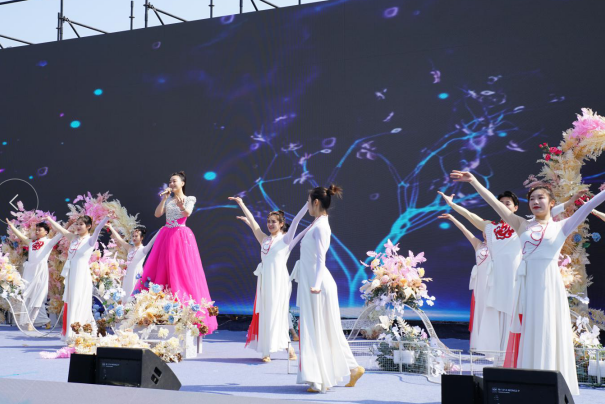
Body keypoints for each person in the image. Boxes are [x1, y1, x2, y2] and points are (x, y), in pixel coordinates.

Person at [450, 169, 605, 396]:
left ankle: (555, 388)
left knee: (550, 331)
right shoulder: (521, 224)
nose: (535, 202)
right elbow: (494, 204)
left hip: (550, 288)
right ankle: (530, 386)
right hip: (526, 289)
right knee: (529, 332)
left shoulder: (562, 226)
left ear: (552, 203)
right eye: (532, 199)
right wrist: (473, 181)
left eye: (541, 198)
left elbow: (590, 205)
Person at [437, 190, 581, 350]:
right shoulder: (490, 227)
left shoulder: (523, 224)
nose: (504, 206)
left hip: (515, 277)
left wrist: (568, 203)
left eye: (508, 203)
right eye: (501, 203)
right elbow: (470, 216)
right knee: (494, 311)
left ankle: (513, 352)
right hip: (496, 278)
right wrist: (452, 204)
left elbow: (550, 212)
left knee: (513, 311)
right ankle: (495, 353)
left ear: (515, 207)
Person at [290, 185, 364, 393]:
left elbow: (322, 258)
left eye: (308, 202)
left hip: (319, 286)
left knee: (319, 331)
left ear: (316, 202)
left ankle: (320, 379)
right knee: (328, 330)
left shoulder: (321, 226)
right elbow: (294, 233)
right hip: (313, 284)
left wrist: (315, 284)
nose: (306, 205)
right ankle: (353, 368)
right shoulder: (316, 223)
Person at [136, 171, 217, 333]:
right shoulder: (168, 199)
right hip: (166, 235)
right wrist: (164, 199)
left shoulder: (190, 198)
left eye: (174, 181)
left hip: (180, 235)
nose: (171, 184)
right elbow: (157, 214)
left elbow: (188, 213)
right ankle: (160, 307)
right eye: (170, 181)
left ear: (182, 183)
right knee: (162, 268)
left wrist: (181, 206)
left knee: (181, 269)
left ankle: (185, 309)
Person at [229, 197, 307, 362]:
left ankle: (286, 346)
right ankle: (269, 350)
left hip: (279, 282)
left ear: (281, 224)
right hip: (265, 282)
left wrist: (308, 204)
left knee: (277, 314)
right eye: (268, 221)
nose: (270, 224)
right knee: (265, 314)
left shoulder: (286, 239)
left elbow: (297, 221)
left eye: (274, 222)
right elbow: (253, 222)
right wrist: (241, 203)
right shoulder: (264, 239)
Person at [45, 215, 109, 340]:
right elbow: (61, 230)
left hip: (81, 275)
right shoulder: (73, 238)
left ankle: (78, 332)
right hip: (71, 274)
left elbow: (97, 229)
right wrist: (50, 219)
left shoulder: (90, 240)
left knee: (78, 301)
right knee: (71, 301)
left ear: (88, 226)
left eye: (81, 224)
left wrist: (106, 218)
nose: (78, 226)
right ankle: (72, 331)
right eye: (77, 224)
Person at [438, 213, 496, 351]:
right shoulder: (478, 244)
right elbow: (465, 230)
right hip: (479, 284)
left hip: (492, 283)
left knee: (491, 313)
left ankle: (492, 345)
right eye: (484, 230)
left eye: (489, 230)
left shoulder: (499, 247)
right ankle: (479, 344)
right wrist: (453, 218)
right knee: (479, 311)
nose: (486, 233)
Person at [6, 220, 62, 330]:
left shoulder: (49, 242)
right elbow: (21, 236)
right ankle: (44, 320)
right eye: (36, 230)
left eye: (39, 230)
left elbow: (60, 234)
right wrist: (12, 227)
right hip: (29, 272)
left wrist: (69, 224)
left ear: (46, 232)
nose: (37, 232)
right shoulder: (32, 242)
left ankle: (30, 322)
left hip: (40, 272)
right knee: (28, 297)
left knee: (38, 297)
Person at [106, 224, 158, 299]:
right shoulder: (129, 248)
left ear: (141, 238)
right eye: (133, 236)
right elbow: (119, 238)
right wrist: (110, 227)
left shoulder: (144, 249)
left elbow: (152, 241)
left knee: (133, 295)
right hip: (127, 275)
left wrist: (160, 231)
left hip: (136, 275)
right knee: (124, 294)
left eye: (136, 236)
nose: (134, 238)